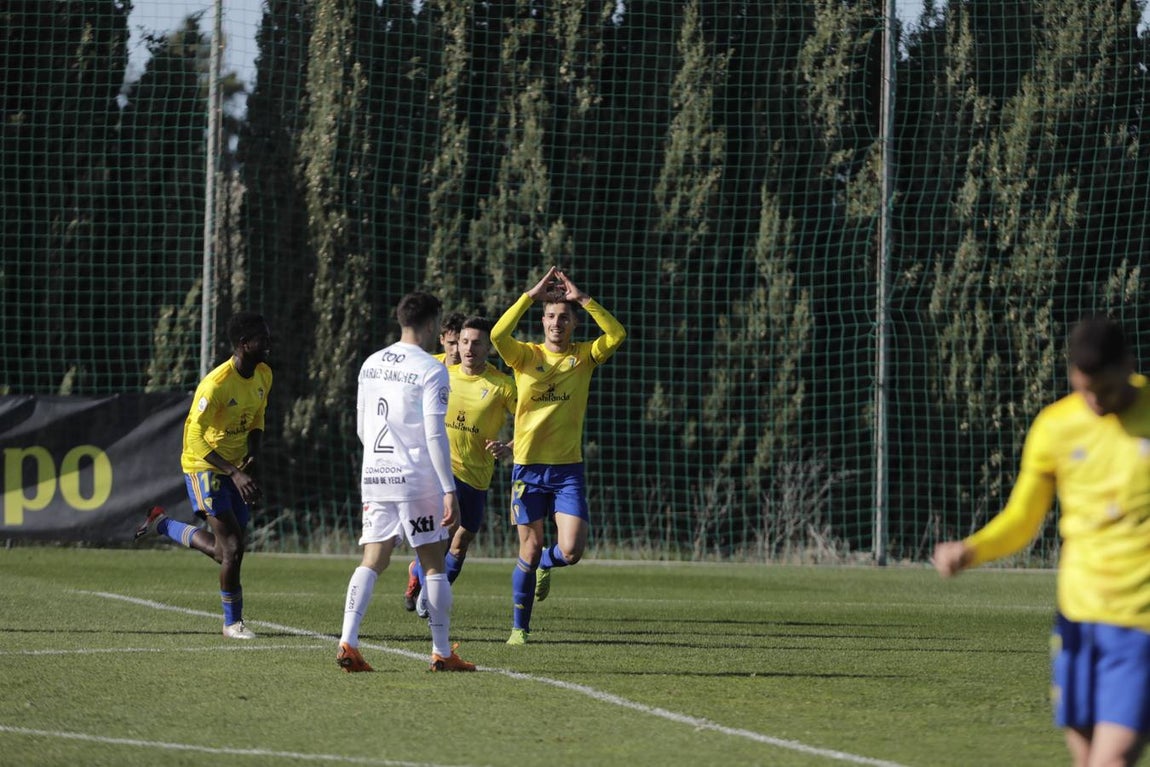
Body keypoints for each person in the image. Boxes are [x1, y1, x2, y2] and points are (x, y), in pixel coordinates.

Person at [932, 317, 1150, 767]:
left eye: (1106, 390)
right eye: (1085, 390)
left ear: (1128, 366)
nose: (1096, 401)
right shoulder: (1055, 427)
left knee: (1112, 761)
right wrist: (972, 550)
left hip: (1141, 627)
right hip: (1078, 619)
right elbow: (1022, 518)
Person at [336, 291, 475, 673]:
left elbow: (362, 427)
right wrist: (449, 488)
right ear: (431, 323)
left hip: (375, 474)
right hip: (416, 478)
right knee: (433, 563)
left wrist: (381, 460)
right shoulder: (431, 369)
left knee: (373, 559)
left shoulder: (371, 363)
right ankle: (442, 651)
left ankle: (348, 641)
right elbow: (434, 433)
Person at [491, 266, 626, 645]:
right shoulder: (524, 356)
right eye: (550, 316)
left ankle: (546, 564)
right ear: (543, 322)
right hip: (527, 469)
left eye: (564, 317)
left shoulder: (583, 358)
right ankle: (519, 629)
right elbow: (498, 335)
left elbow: (617, 334)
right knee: (529, 547)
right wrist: (529, 297)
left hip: (567, 472)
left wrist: (583, 298)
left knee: (571, 551)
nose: (556, 323)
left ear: (574, 324)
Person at [134, 311, 273, 640]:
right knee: (234, 548)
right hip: (204, 466)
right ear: (244, 344)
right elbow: (195, 438)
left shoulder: (264, 374)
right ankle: (232, 624)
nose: (269, 344)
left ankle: (163, 524)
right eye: (262, 339)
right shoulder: (216, 384)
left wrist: (252, 456)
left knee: (224, 553)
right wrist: (234, 473)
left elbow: (257, 418)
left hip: (235, 467)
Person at [404, 316, 517, 617]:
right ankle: (431, 597)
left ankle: (420, 574)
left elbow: (530, 422)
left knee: (461, 542)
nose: (468, 348)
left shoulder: (502, 385)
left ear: (489, 348)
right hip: (442, 471)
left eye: (476, 343)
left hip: (477, 477)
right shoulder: (441, 374)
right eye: (464, 342)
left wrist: (510, 446)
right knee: (444, 534)